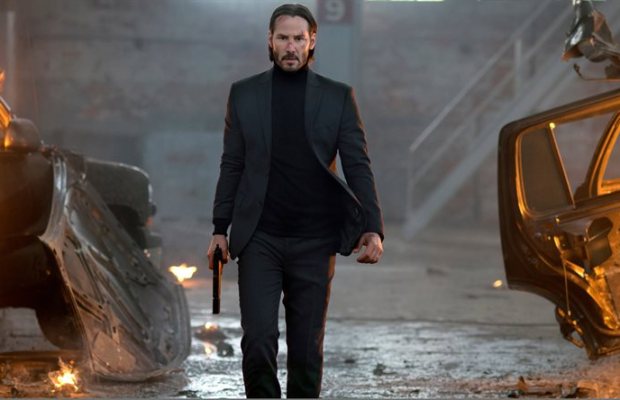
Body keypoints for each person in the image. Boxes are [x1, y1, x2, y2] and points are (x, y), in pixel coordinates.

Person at [207, 3, 384, 398]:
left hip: (315, 239)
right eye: (283, 38)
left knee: (306, 348)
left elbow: (358, 165)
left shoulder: (338, 97)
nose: (291, 46)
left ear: (312, 41)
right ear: (270, 41)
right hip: (259, 237)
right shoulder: (244, 94)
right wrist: (220, 229)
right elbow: (232, 163)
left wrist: (373, 227)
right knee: (258, 341)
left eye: (298, 39)